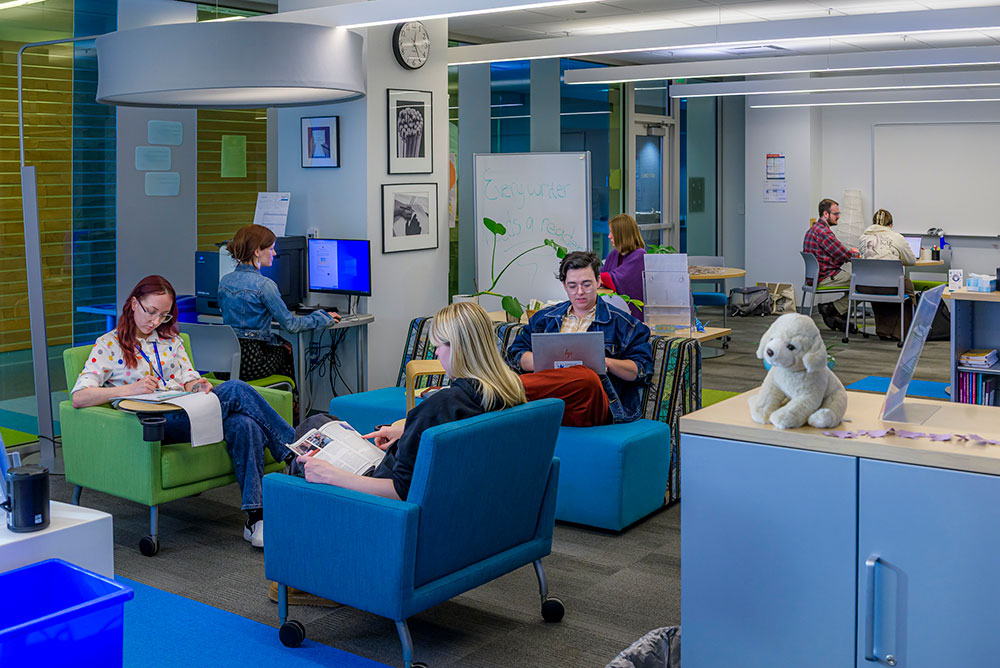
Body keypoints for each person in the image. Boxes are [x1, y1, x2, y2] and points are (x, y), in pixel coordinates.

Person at [71, 275, 296, 549]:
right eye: (150, 312)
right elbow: (80, 397)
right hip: (155, 424)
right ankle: (294, 451)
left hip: (190, 412)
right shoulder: (109, 345)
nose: (155, 321)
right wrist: (127, 390)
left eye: (163, 316)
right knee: (236, 389)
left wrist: (196, 384)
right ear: (133, 304)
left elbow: (188, 377)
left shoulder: (171, 341)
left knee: (243, 424)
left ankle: (255, 518)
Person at [295, 302, 526, 502]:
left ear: (458, 347)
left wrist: (332, 475)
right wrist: (408, 431)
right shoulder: (508, 392)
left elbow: (399, 491)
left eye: (438, 346)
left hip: (379, 501)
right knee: (327, 422)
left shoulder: (439, 406)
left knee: (311, 430)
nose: (435, 354)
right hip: (470, 505)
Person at [507, 251, 653, 426]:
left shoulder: (626, 325)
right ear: (564, 285)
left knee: (586, 377)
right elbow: (515, 354)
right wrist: (542, 361)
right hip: (550, 401)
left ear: (598, 281)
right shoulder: (544, 318)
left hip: (593, 403)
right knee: (571, 379)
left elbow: (641, 370)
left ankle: (504, 389)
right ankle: (504, 390)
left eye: (587, 284)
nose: (580, 292)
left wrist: (604, 362)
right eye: (572, 286)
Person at [218, 224, 340, 398]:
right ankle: (290, 407)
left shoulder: (225, 281)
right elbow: (291, 324)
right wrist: (322, 317)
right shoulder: (265, 286)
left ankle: (281, 405)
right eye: (271, 248)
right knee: (286, 349)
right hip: (252, 364)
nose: (274, 253)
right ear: (257, 251)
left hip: (224, 365)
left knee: (280, 343)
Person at [858, 208, 916, 340]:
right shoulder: (896, 237)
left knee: (879, 285)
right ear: (890, 225)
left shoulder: (862, 238)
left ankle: (883, 329)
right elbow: (911, 261)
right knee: (907, 287)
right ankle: (899, 332)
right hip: (890, 286)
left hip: (865, 286)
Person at [803, 198, 859, 332]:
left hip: (814, 278)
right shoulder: (824, 232)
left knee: (851, 279)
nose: (838, 217)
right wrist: (856, 254)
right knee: (863, 284)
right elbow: (843, 255)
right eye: (836, 214)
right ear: (825, 214)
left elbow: (831, 254)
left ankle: (838, 318)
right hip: (825, 277)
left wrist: (845, 254)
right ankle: (832, 309)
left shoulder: (811, 230)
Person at [600, 213, 647, 321]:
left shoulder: (639, 255)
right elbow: (602, 278)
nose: (609, 236)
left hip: (633, 316)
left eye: (612, 232)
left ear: (622, 234)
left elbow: (618, 278)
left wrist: (595, 277)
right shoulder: (615, 253)